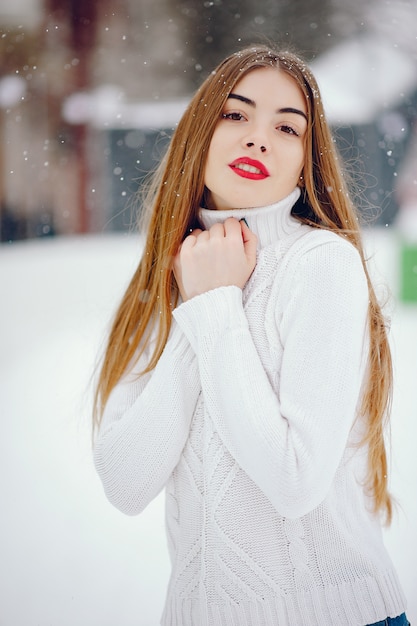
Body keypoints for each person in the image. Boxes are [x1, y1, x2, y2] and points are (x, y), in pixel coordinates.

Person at [93, 45, 409, 626]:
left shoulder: (319, 264)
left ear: (304, 162)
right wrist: (203, 300)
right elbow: (126, 480)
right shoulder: (169, 275)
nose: (259, 138)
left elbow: (294, 480)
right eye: (236, 115)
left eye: (288, 128)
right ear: (198, 133)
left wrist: (215, 306)